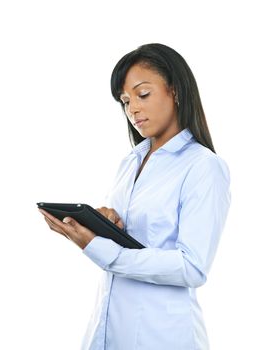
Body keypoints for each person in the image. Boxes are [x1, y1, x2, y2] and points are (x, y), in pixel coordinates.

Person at [39, 43, 231, 350]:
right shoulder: (131, 161)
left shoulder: (204, 167)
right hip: (107, 331)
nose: (133, 109)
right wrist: (108, 221)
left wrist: (97, 246)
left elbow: (192, 267)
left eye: (143, 95)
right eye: (125, 101)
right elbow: (137, 232)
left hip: (162, 336)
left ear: (176, 91)